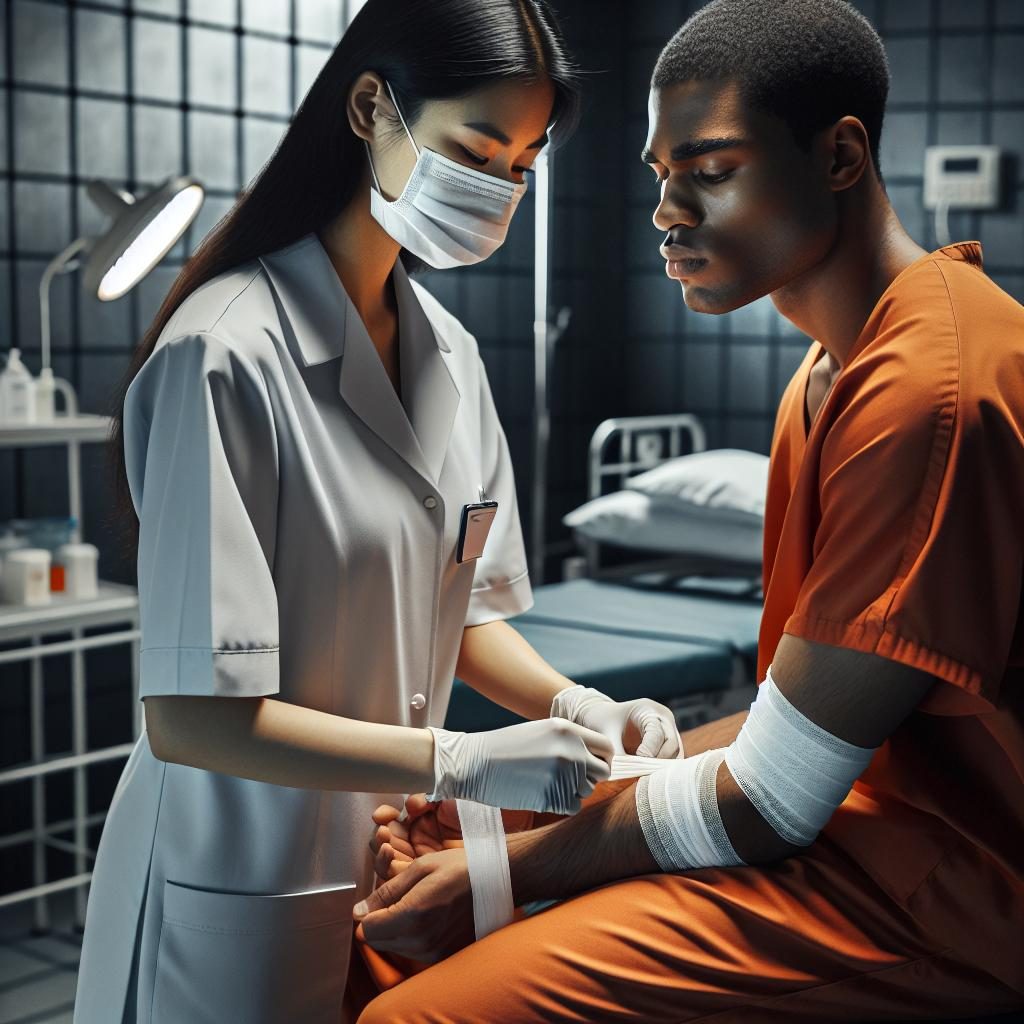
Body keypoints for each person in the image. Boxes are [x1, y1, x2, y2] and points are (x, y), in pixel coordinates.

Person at [352, 1, 1024, 1020]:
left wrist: (516, 867)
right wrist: (536, 796)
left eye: (710, 170)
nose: (668, 209)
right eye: (659, 176)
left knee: (416, 1012)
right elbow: (795, 728)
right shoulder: (828, 376)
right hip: (856, 824)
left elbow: (774, 793)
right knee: (434, 852)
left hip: (945, 896)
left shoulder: (927, 389)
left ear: (839, 154)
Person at [72, 3, 683, 1022]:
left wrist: (574, 702)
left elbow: (465, 614)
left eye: (522, 165)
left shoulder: (451, 354)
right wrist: (463, 757)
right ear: (371, 107)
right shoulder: (222, 354)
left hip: (386, 858)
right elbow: (192, 718)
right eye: (475, 151)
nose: (498, 191)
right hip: (235, 865)